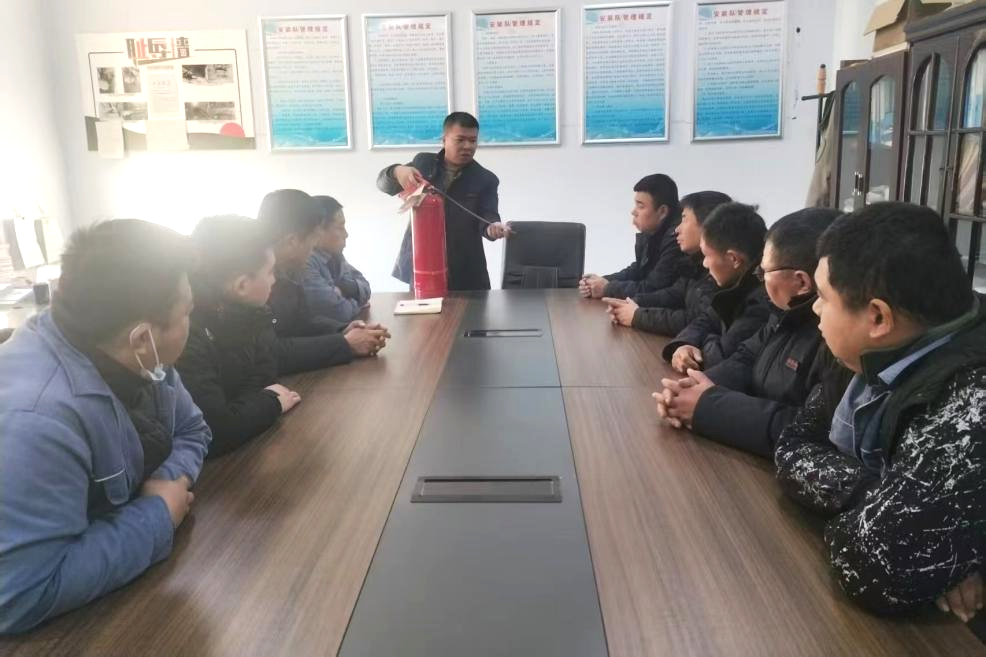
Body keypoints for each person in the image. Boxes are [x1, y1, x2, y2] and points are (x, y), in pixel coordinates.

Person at [774, 202, 986, 619]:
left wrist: (907, 527)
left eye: (824, 298)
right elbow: (792, 446)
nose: (814, 309)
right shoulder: (867, 353)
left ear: (877, 317)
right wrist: (875, 493)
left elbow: (876, 565)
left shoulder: (972, 396)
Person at [0, 220, 211, 633]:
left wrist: (167, 482)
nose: (193, 319)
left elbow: (192, 430)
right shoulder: (36, 421)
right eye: (187, 311)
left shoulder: (143, 358)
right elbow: (22, 593)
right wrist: (157, 514)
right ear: (141, 337)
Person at [655, 208, 849, 458]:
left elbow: (811, 430)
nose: (759, 280)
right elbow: (745, 357)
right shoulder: (783, 313)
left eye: (763, 272)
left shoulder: (839, 341)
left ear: (801, 282)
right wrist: (691, 389)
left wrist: (708, 407)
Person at [176, 215, 301, 458]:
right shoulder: (187, 332)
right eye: (270, 272)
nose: (274, 280)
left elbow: (265, 374)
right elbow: (216, 430)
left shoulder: (252, 313)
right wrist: (271, 402)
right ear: (242, 285)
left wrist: (250, 406)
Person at [258, 189, 390, 374]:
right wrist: (345, 344)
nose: (314, 247)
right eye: (314, 238)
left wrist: (342, 330)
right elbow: (269, 353)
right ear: (292, 241)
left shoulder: (287, 271)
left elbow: (301, 322)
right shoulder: (255, 277)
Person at [377, 112, 511, 290]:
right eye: (460, 140)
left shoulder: (485, 179)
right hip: (422, 263)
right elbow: (383, 185)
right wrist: (397, 170)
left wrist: (492, 228)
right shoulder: (423, 163)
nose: (468, 146)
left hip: (465, 269)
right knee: (423, 308)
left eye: (473, 141)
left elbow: (488, 216)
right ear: (444, 140)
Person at [662, 202, 771, 372]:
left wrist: (700, 346)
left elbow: (720, 356)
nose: (704, 264)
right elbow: (705, 320)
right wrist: (685, 344)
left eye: (706, 256)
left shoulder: (761, 300)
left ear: (733, 259)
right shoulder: (734, 283)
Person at [603, 190, 730, 334]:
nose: (677, 229)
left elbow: (699, 320)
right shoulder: (695, 262)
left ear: (708, 227)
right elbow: (673, 294)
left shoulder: (721, 269)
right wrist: (632, 303)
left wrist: (637, 316)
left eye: (684, 220)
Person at [579, 173, 692, 300]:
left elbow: (653, 287)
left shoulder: (677, 239)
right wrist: (601, 281)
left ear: (662, 212)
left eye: (640, 206)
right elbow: (638, 270)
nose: (633, 212)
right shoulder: (653, 232)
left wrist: (607, 288)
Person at [302, 196, 371, 323]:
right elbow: (339, 312)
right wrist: (358, 303)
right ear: (318, 231)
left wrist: (345, 289)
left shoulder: (335, 256)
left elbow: (365, 287)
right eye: (340, 227)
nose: (346, 234)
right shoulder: (306, 262)